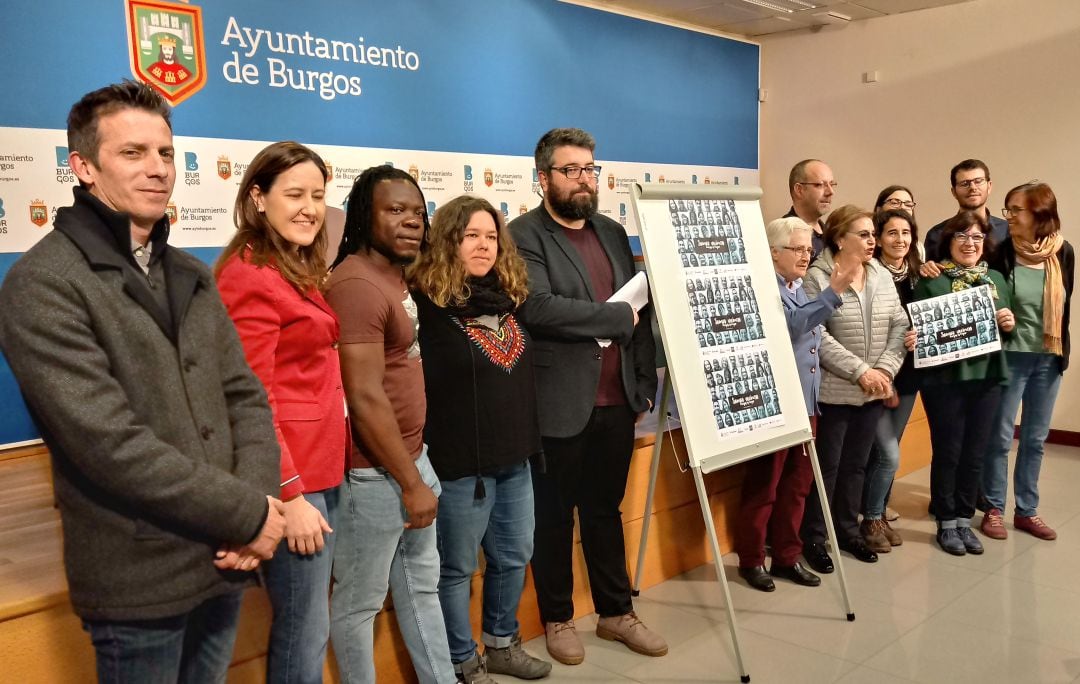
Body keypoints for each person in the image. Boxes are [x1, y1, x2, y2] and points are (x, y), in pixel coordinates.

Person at [0, 81, 284, 682]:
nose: (157, 169)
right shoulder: (42, 283)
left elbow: (245, 397)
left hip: (226, 559)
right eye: (133, 153)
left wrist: (258, 507)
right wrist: (248, 514)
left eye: (165, 152)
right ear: (82, 167)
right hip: (139, 577)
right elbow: (109, 445)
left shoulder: (190, 274)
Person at [509, 128, 662, 666]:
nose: (583, 180)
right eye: (571, 170)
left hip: (616, 401)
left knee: (604, 511)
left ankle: (616, 612)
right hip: (558, 404)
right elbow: (539, 308)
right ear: (544, 177)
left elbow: (643, 313)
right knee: (553, 520)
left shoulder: (614, 232)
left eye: (590, 169)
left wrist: (643, 384)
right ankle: (557, 619)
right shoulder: (522, 233)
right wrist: (615, 317)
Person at [215, 141, 346, 684]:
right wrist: (288, 493)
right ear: (257, 198)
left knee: (311, 623)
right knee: (303, 628)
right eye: (293, 194)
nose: (309, 207)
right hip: (293, 481)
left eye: (317, 195)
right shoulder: (249, 275)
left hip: (322, 466)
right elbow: (249, 397)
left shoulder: (291, 264)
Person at [409, 195, 551, 683]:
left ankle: (502, 643)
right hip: (458, 466)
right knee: (455, 569)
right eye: (471, 235)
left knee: (514, 557)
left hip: (515, 458)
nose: (484, 245)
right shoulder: (425, 303)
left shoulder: (510, 296)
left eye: (491, 236)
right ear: (449, 240)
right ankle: (462, 659)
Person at [326, 165, 455, 684]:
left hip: (409, 460)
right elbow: (363, 396)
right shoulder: (356, 284)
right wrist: (410, 481)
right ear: (364, 216)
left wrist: (416, 470)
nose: (412, 222)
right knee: (359, 606)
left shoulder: (393, 274)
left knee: (422, 589)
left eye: (418, 212)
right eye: (395, 210)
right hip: (376, 475)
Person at [734, 217, 854, 592]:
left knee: (797, 485)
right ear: (773, 252)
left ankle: (787, 555)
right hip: (775, 404)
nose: (806, 256)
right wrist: (831, 293)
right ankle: (752, 559)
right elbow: (789, 325)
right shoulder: (760, 285)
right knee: (765, 485)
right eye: (798, 249)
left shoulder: (798, 287)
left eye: (809, 250)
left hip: (806, 402)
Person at [800, 205, 908, 571]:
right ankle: (814, 536)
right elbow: (819, 334)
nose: (872, 241)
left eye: (872, 234)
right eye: (863, 234)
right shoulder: (818, 276)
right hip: (836, 390)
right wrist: (861, 370)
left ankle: (847, 531)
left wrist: (884, 371)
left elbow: (899, 324)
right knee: (827, 467)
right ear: (839, 238)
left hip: (874, 388)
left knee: (857, 466)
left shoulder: (879, 273)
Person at [910, 210, 1014, 555]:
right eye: (962, 237)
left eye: (977, 238)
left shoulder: (997, 279)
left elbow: (1006, 335)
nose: (970, 244)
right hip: (946, 381)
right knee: (949, 451)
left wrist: (1008, 323)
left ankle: (965, 519)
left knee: (975, 453)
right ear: (948, 242)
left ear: (986, 243)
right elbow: (920, 332)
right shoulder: (930, 280)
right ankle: (945, 521)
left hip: (988, 378)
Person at [980, 182, 1074, 541]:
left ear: (1040, 213)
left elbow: (1063, 310)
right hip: (1010, 358)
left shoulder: (1063, 253)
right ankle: (992, 508)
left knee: (1035, 439)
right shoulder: (999, 253)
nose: (1009, 217)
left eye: (1016, 210)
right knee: (1000, 437)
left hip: (1048, 360)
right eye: (1008, 209)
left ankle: (1027, 510)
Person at [859, 208, 922, 552]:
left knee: (887, 453)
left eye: (906, 233)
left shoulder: (918, 276)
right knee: (888, 455)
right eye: (892, 233)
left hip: (909, 376)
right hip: (878, 378)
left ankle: (878, 513)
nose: (900, 240)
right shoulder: (870, 275)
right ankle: (870, 517)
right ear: (879, 238)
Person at [923, 160, 1008, 258]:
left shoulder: (1007, 231)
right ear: (954, 192)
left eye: (978, 181)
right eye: (964, 183)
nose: (973, 188)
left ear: (989, 186)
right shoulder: (937, 234)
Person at [784, 159, 837, 258]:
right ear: (799, 190)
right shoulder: (784, 235)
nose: (830, 192)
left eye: (832, 184)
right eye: (820, 185)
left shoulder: (832, 236)